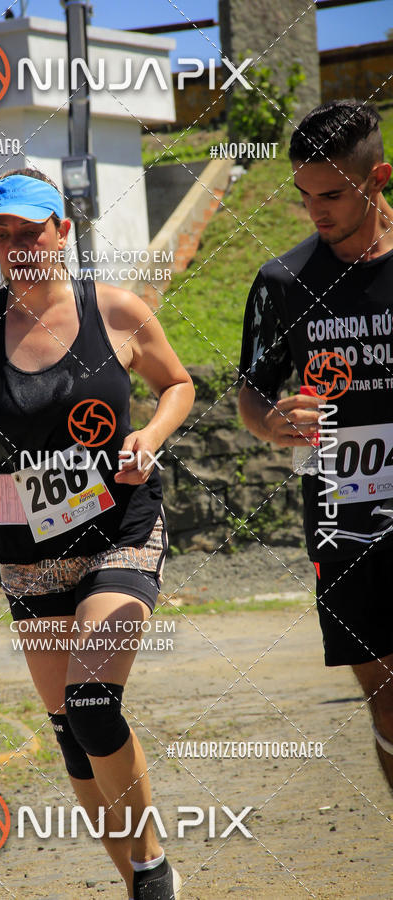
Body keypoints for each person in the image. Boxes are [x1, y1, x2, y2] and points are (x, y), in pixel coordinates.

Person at [0, 168, 195, 898]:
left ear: (63, 232)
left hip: (119, 531)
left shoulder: (116, 310)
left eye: (30, 231)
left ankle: (155, 870)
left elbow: (179, 382)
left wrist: (151, 433)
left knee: (93, 703)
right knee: (72, 734)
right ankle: (137, 881)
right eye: (1, 235)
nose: (17, 246)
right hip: (29, 555)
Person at [238, 100, 393, 791]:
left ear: (379, 177)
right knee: (386, 706)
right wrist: (270, 422)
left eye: (331, 195)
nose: (315, 213)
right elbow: (250, 391)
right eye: (304, 197)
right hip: (340, 518)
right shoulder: (282, 283)